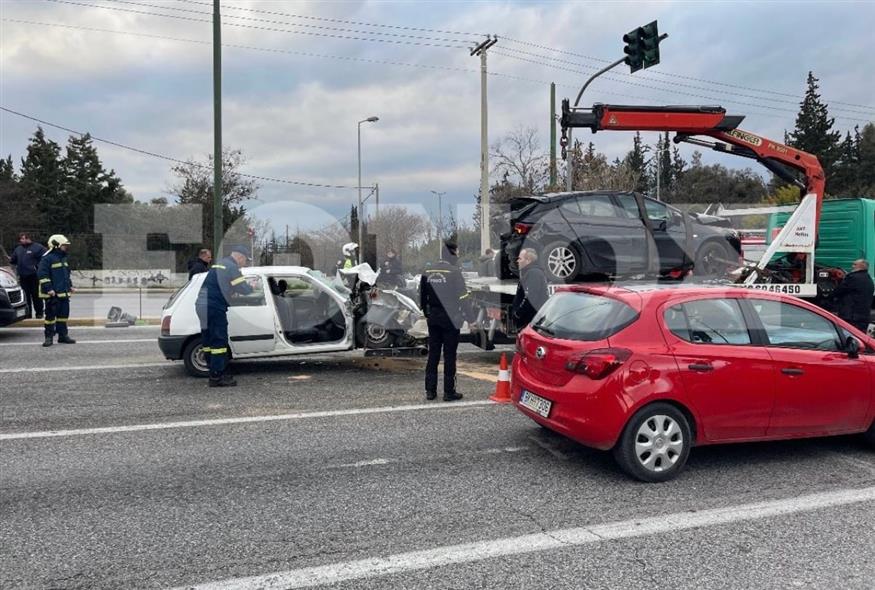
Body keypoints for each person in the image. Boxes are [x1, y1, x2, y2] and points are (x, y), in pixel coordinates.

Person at [196, 245, 254, 387]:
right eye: (245, 260)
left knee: (208, 341)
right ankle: (217, 377)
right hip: (214, 307)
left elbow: (224, 284)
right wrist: (251, 286)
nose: (244, 263)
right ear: (240, 257)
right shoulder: (232, 267)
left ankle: (213, 371)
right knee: (219, 342)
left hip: (201, 305)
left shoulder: (220, 264)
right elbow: (244, 289)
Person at [420, 238, 468, 402]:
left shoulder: (427, 270)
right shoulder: (454, 272)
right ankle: (449, 392)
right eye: (457, 251)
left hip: (433, 317)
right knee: (449, 355)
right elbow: (463, 297)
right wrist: (471, 317)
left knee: (433, 354)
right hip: (451, 318)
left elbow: (421, 297)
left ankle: (430, 391)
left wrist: (428, 314)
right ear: (452, 253)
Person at [37, 234, 75, 347]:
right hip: (52, 295)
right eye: (64, 245)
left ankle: (63, 336)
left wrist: (70, 286)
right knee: (50, 318)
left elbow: (65, 275)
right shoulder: (47, 258)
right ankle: (48, 337)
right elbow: (42, 275)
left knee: (63, 316)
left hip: (64, 293)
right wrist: (49, 289)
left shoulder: (63, 258)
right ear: (56, 246)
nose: (66, 248)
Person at [9, 232, 47, 319]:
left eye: (22, 238)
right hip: (23, 276)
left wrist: (37, 268)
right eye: (20, 239)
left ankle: (39, 313)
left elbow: (45, 258)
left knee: (36, 295)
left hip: (34, 276)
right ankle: (27, 314)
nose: (21, 240)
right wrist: (11, 259)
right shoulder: (18, 249)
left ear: (28, 238)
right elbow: (13, 260)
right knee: (26, 297)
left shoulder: (38, 247)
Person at [511, 248, 550, 329]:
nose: (517, 261)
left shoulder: (534, 273)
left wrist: (518, 314)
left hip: (530, 322)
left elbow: (530, 297)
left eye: (520, 259)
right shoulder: (530, 272)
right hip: (529, 321)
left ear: (528, 260)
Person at [833, 259, 874, 333]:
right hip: (864, 316)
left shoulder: (852, 277)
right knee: (860, 335)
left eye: (854, 264)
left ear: (861, 266)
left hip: (851, 316)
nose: (852, 266)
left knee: (849, 334)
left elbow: (839, 291)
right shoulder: (868, 279)